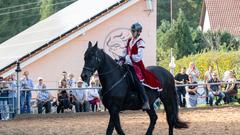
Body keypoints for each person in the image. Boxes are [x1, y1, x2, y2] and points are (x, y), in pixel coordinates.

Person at [120, 22, 161, 110]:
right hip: (127, 63)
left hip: (136, 65)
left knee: (137, 80)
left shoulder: (140, 42)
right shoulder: (129, 40)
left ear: (138, 32)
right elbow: (125, 51)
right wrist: (122, 57)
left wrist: (127, 57)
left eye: (133, 31)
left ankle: (145, 101)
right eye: (132, 31)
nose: (132, 32)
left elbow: (139, 57)